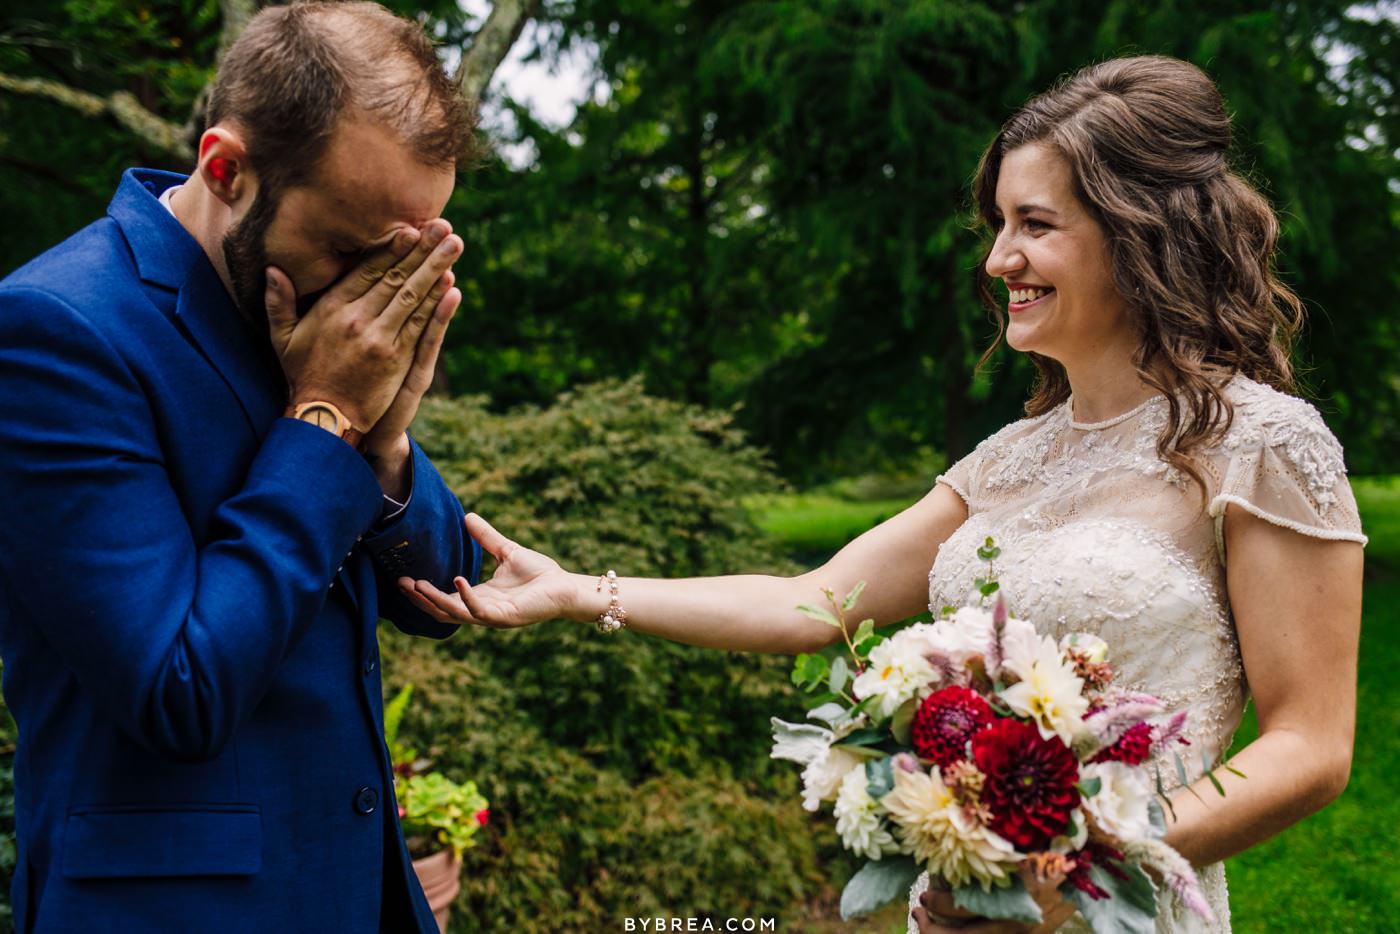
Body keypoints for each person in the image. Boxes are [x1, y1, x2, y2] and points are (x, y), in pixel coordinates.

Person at [400, 56, 1366, 933]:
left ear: (1138, 233)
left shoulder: (1259, 444)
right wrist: (580, 590)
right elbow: (813, 601)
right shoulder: (1010, 460)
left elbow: (1310, 747)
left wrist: (1076, 862)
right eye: (998, 226)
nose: (997, 260)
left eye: (1035, 225)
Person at [0, 3, 483, 931]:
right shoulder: (55, 332)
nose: (375, 294)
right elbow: (177, 689)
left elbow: (448, 593)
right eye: (352, 249)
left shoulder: (306, 312)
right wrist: (325, 421)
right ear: (226, 169)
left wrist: (381, 444)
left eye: (408, 255)